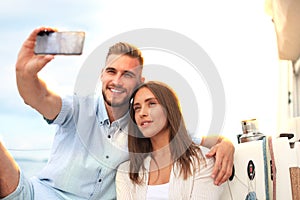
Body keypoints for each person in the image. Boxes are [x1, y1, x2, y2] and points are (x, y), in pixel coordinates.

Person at [0, 27, 234, 199]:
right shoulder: (78, 109)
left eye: (127, 75)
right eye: (112, 72)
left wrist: (226, 144)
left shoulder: (143, 126)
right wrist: (24, 73)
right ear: (102, 74)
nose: (117, 81)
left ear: (140, 82)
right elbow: (38, 97)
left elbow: (196, 139)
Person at [116, 81, 224, 199]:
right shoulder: (126, 172)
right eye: (137, 108)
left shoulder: (202, 161)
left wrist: (226, 143)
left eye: (151, 104)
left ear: (169, 109)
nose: (142, 113)